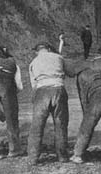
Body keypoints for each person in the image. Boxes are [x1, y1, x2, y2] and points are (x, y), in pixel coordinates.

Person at [64, 60, 101, 164]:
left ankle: (78, 155)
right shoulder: (100, 72)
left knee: (87, 126)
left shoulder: (81, 76)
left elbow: (84, 98)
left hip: (98, 94)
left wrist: (86, 114)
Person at [27, 36, 69, 165]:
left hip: (41, 91)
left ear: (37, 51)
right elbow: (66, 73)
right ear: (49, 49)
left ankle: (33, 158)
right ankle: (62, 156)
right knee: (60, 124)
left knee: (37, 126)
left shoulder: (33, 63)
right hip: (58, 89)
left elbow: (34, 85)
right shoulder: (59, 58)